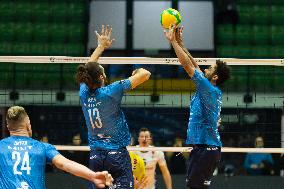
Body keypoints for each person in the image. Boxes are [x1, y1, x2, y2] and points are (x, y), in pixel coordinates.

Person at [76, 25, 151, 189]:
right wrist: (136, 70)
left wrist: (100, 47)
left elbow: (88, 66)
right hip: (117, 155)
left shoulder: (83, 93)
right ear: (102, 77)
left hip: (96, 156)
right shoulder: (111, 91)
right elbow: (146, 74)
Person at [164, 25, 230, 189]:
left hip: (206, 149)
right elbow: (195, 66)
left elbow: (188, 66)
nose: (206, 68)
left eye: (211, 68)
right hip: (205, 149)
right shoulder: (210, 89)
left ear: (214, 76)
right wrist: (181, 43)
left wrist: (173, 43)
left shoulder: (207, 89)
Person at [0, 106, 113, 189]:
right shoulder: (42, 147)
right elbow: (66, 164)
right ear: (28, 125)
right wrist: (93, 176)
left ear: (8, 127)